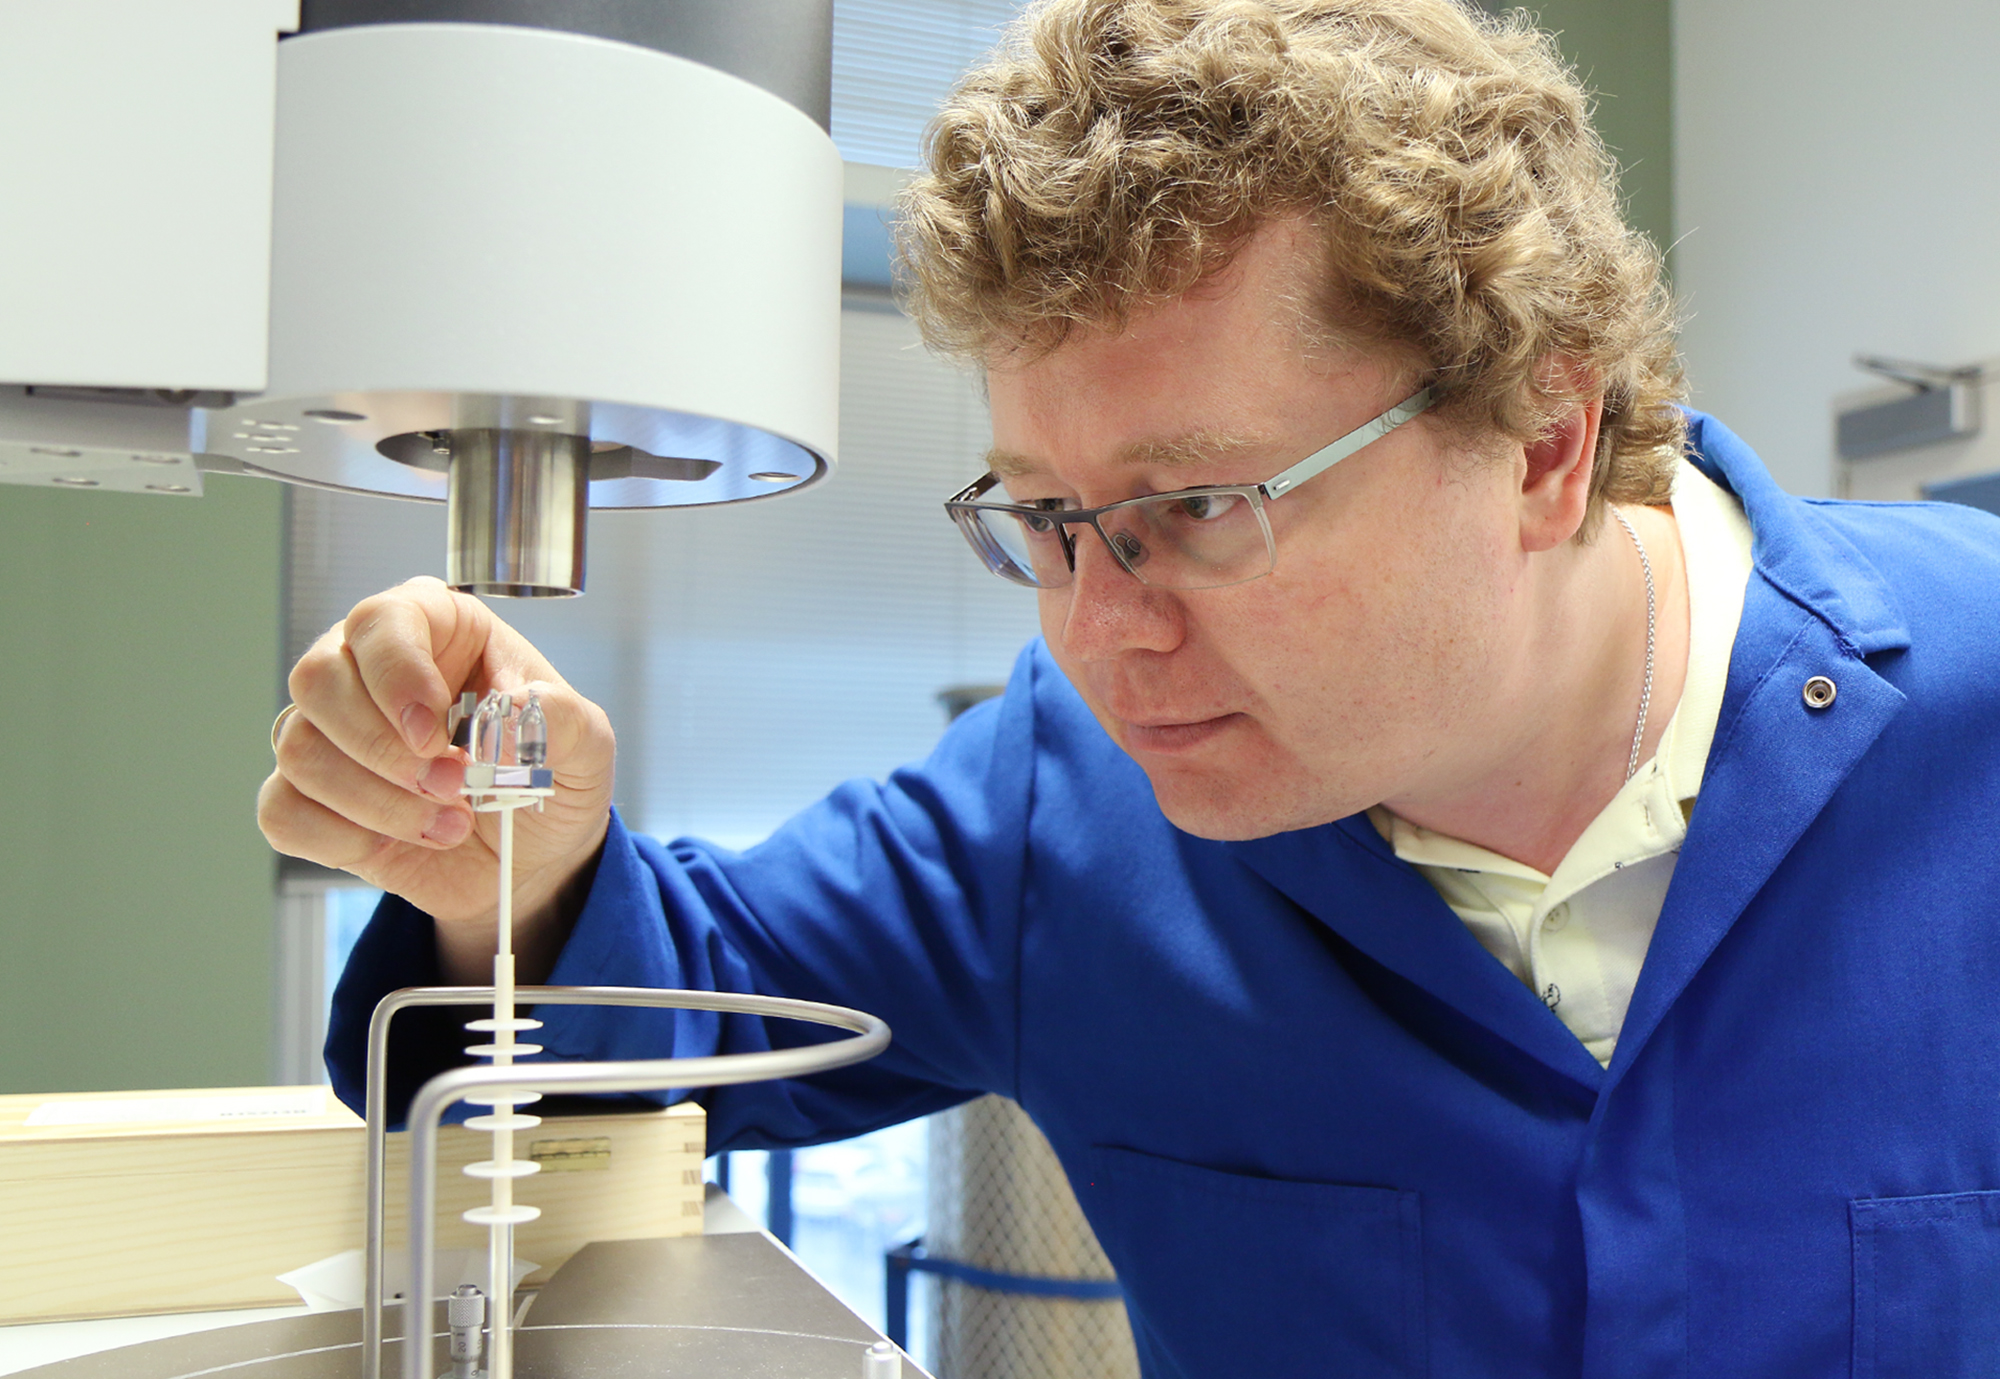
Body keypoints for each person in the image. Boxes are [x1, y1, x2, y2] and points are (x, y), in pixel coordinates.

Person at [260, 1, 2000, 1374]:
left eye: (1197, 510)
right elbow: (660, 1032)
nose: (1097, 632)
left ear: (1545, 443)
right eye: (1046, 518)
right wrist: (530, 870)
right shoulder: (1062, 808)